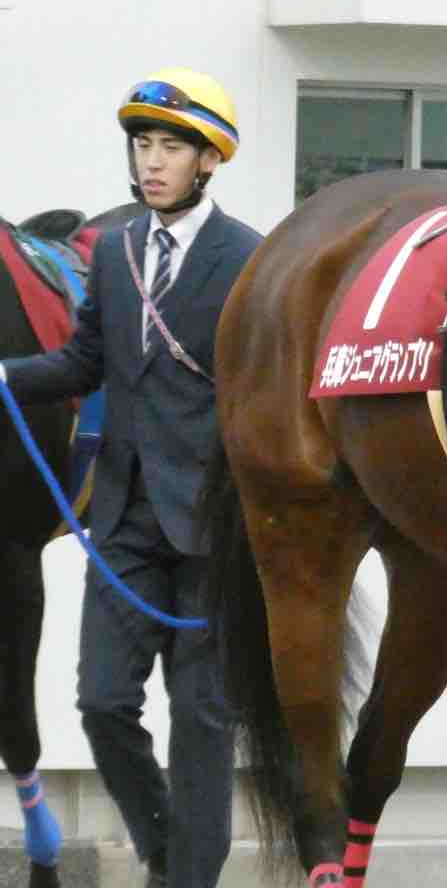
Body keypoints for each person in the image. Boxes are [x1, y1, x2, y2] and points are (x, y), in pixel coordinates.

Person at [0, 68, 260, 888]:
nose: (152, 161)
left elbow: (265, 396)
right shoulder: (114, 253)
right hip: (122, 521)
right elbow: (84, 362)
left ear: (209, 160)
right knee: (103, 704)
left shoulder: (248, 258)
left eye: (171, 147)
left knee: (204, 721)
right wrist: (5, 376)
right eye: (143, 144)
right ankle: (166, 847)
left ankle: (188, 879)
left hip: (213, 526)